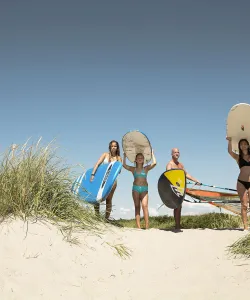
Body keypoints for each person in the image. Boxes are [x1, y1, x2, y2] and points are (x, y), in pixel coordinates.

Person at [166, 148, 201, 231]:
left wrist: (195, 180)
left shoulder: (180, 165)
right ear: (172, 154)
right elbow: (168, 175)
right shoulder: (169, 164)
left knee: (179, 206)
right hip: (174, 188)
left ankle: (178, 225)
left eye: (178, 152)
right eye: (175, 152)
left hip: (181, 188)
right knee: (177, 206)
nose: (177, 153)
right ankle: (177, 226)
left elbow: (186, 174)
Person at [123, 150, 157, 229]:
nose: (140, 159)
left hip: (145, 189)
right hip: (135, 189)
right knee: (137, 206)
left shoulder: (146, 168)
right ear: (135, 160)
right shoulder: (133, 169)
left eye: (141, 158)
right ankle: (138, 227)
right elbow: (124, 165)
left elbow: (154, 163)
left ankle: (147, 226)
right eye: (138, 158)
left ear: (143, 160)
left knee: (145, 206)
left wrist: (152, 154)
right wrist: (124, 156)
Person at [90, 140, 122, 219]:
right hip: (101, 178)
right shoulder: (105, 154)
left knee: (108, 199)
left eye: (115, 146)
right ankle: (97, 216)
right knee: (96, 197)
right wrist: (93, 174)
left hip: (112, 181)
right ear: (110, 147)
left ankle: (106, 219)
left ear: (117, 147)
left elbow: (119, 171)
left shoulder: (118, 158)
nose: (113, 147)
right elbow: (97, 164)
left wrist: (117, 164)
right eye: (112, 146)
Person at [226, 137, 250, 231]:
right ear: (239, 146)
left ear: (248, 145)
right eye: (241, 144)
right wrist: (230, 141)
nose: (243, 145)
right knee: (244, 205)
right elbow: (230, 152)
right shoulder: (238, 157)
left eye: (245, 144)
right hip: (241, 182)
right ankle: (245, 227)